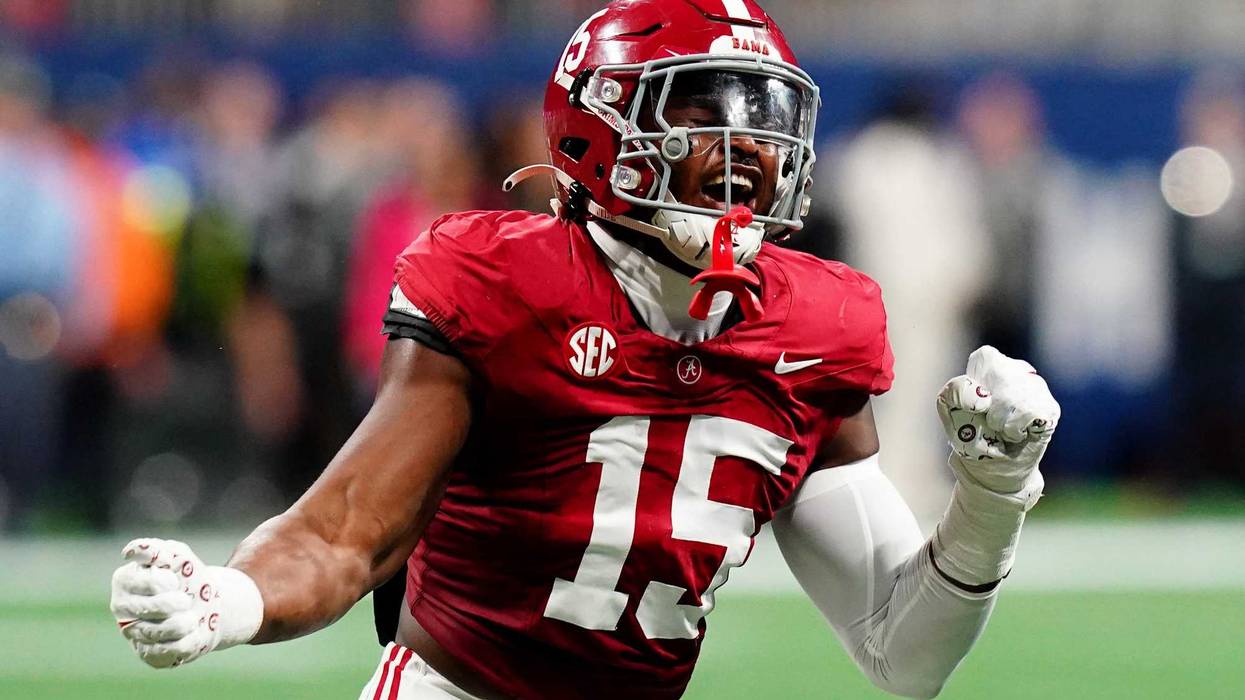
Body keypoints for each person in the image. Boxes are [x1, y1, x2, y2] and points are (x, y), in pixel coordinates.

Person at [109, 2, 1060, 698]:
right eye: (699, 110)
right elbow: (343, 534)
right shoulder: (506, 283)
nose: (745, 147)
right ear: (600, 125)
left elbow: (905, 656)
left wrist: (990, 499)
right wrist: (232, 598)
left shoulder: (815, 326)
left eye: (762, 116)